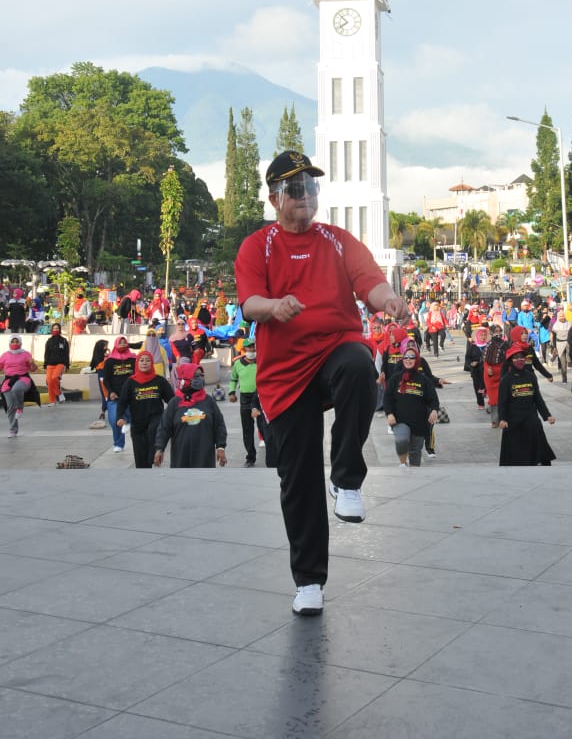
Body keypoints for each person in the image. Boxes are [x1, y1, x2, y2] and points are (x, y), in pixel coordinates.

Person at [234, 150, 411, 617]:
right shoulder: (259, 246)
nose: (306, 196)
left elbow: (369, 281)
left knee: (359, 364)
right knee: (298, 479)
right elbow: (249, 301)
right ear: (274, 198)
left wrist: (389, 299)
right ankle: (309, 581)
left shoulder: (337, 240)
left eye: (311, 187)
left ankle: (347, 479)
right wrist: (272, 308)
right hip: (284, 375)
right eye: (295, 189)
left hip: (334, 351)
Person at [154, 363, 228, 469]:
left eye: (202, 375)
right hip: (181, 455)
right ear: (186, 378)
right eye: (196, 376)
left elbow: (219, 425)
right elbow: (164, 427)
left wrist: (221, 447)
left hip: (204, 455)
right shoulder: (174, 403)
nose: (201, 378)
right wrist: (159, 448)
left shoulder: (208, 401)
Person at [498, 342, 556, 466]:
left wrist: (547, 415)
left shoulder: (530, 376)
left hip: (531, 416)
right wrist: (502, 418)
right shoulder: (506, 379)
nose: (520, 360)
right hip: (513, 419)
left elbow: (537, 398)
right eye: (516, 357)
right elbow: (502, 401)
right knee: (516, 451)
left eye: (522, 357)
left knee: (538, 445)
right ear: (510, 360)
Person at [383, 344, 439, 468]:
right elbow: (387, 398)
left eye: (412, 357)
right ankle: (403, 464)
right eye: (406, 357)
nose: (408, 359)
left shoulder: (424, 380)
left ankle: (414, 473)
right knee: (402, 440)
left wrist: (434, 410)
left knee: (415, 452)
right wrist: (389, 413)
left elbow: (433, 399)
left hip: (419, 422)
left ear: (417, 360)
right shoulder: (395, 378)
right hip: (399, 419)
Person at [116, 351, 174, 468]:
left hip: (155, 419)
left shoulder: (159, 381)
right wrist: (120, 417)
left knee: (153, 430)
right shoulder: (130, 382)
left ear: (152, 363)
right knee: (140, 459)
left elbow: (172, 400)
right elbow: (122, 402)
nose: (144, 363)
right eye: (141, 360)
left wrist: (175, 415)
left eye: (147, 360)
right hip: (138, 424)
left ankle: (155, 456)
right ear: (137, 363)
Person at [229, 337, 263, 466]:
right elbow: (233, 379)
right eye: (249, 347)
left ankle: (272, 456)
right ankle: (250, 457)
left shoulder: (261, 361)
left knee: (264, 427)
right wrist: (232, 392)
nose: (252, 350)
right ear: (244, 349)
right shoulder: (238, 363)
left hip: (260, 397)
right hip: (245, 398)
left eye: (254, 347)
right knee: (247, 429)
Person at [0, 336, 40, 437]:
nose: (14, 343)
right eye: (12, 341)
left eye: (16, 341)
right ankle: (13, 430)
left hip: (23, 379)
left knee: (16, 389)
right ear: (9, 343)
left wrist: (32, 363)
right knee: (10, 407)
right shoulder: (4, 355)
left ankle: (20, 407)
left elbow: (33, 369)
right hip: (8, 381)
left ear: (20, 342)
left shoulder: (26, 354)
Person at [103, 336, 137, 453]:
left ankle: (127, 421)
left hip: (131, 396)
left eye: (124, 342)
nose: (122, 344)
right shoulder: (110, 361)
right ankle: (118, 443)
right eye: (120, 342)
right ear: (116, 344)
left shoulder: (133, 359)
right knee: (113, 420)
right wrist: (111, 392)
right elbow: (106, 380)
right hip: (115, 396)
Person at [42, 322, 70, 406]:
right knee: (49, 381)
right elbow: (46, 354)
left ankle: (59, 393)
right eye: (54, 328)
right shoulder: (49, 341)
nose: (55, 330)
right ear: (52, 330)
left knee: (54, 378)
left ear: (60, 330)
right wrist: (45, 365)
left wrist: (67, 365)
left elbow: (66, 353)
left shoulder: (64, 341)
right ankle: (52, 401)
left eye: (57, 328)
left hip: (60, 363)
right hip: (50, 364)